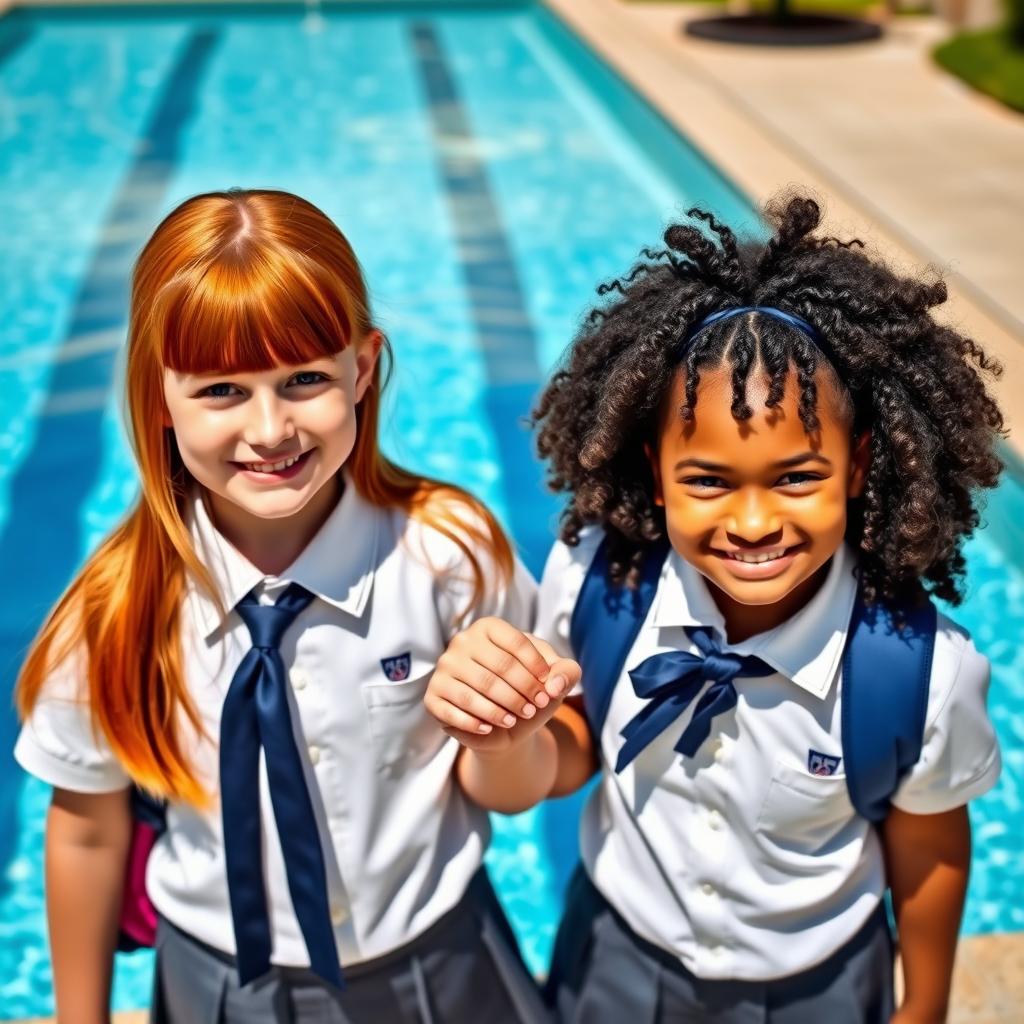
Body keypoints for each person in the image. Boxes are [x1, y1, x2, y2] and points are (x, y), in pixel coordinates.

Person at [424, 194, 1004, 1023]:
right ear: (653, 469)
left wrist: (925, 1007)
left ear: (858, 463)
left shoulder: (920, 672)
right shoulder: (599, 583)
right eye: (708, 481)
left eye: (797, 477)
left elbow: (930, 844)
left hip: (821, 987)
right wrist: (517, 739)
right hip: (619, 964)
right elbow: (576, 748)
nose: (756, 522)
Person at [15, 189, 551, 1023]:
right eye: (223, 390)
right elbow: (86, 830)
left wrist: (508, 736)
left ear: (362, 369)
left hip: (440, 965)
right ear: (158, 394)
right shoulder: (118, 608)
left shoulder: (449, 555)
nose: (270, 430)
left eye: (303, 380)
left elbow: (515, 788)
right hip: (219, 986)